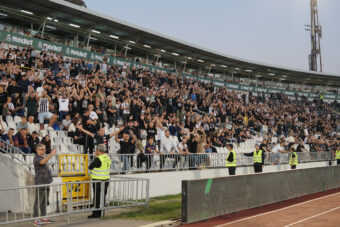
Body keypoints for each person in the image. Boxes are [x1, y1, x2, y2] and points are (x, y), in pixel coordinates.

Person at [33, 143, 57, 226]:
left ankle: (43, 217)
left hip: (46, 182)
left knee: (44, 201)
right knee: (38, 202)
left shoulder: (42, 157)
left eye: (44, 149)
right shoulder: (36, 158)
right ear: (37, 150)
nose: (44, 151)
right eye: (42, 149)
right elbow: (42, 162)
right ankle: (36, 219)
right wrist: (51, 154)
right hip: (40, 182)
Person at [88, 144, 111, 218]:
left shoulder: (98, 159)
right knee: (102, 197)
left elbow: (90, 166)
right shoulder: (108, 157)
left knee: (97, 198)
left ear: (98, 151)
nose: (95, 151)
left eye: (96, 150)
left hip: (98, 181)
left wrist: (95, 157)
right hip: (106, 180)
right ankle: (101, 212)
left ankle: (96, 214)